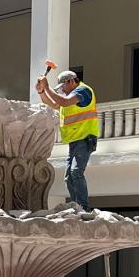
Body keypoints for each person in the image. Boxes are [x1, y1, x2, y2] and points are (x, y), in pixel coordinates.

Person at [36, 70, 98, 211]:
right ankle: (77, 206)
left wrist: (47, 87)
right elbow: (53, 103)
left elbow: (63, 101)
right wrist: (42, 92)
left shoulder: (83, 91)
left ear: (71, 81)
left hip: (85, 139)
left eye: (63, 86)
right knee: (68, 177)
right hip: (75, 141)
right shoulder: (69, 97)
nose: (62, 90)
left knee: (76, 172)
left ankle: (84, 207)